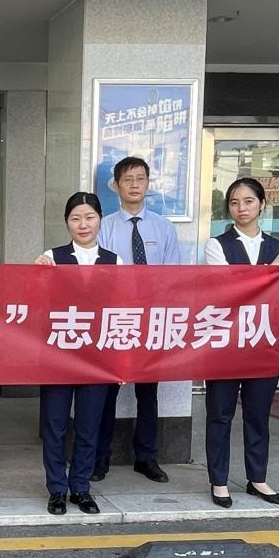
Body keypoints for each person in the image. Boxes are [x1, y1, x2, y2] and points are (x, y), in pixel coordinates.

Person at [203, 177, 279, 509]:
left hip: (264, 342)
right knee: (220, 414)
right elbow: (228, 290)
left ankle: (257, 478)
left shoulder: (278, 247)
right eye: (234, 202)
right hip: (225, 342)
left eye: (248, 201)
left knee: (258, 415)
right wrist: (270, 272)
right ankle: (219, 480)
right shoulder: (217, 245)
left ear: (262, 205)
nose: (241, 208)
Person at [34, 192, 124, 515]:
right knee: (55, 425)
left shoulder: (115, 261)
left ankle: (81, 487)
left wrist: (121, 362)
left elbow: (122, 311)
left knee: (89, 426)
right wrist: (36, 275)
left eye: (89, 217)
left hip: (97, 358)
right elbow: (36, 304)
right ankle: (57, 488)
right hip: (57, 356)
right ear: (66, 223)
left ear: (100, 220)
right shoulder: (52, 256)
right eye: (75, 218)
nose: (83, 225)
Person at [95, 156, 181, 484]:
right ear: (116, 186)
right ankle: (100, 457)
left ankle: (147, 457)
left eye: (140, 178)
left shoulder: (163, 227)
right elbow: (100, 276)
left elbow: (172, 278)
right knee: (106, 392)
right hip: (115, 319)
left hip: (151, 319)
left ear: (148, 184)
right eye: (128, 179)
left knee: (148, 391)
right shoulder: (104, 226)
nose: (134, 185)